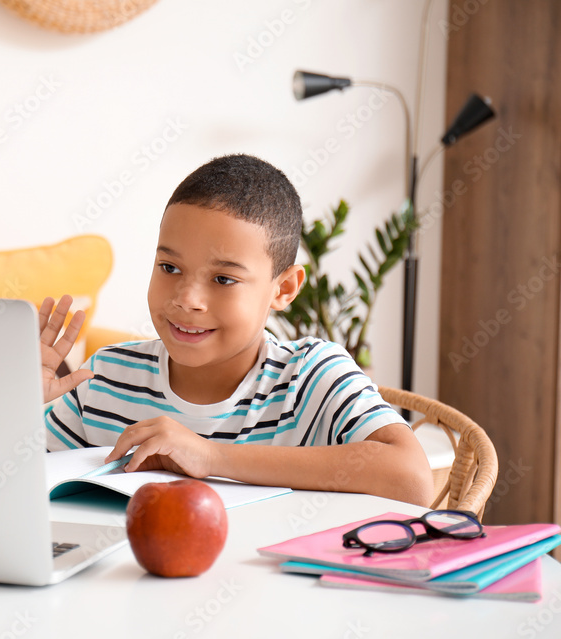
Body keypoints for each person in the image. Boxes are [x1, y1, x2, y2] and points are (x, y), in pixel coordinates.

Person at [38, 154, 434, 506]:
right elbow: (10, 489)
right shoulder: (104, 379)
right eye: (169, 268)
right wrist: (15, 411)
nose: (187, 299)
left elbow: (412, 480)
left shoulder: (311, 376)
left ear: (284, 289)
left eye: (224, 279)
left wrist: (210, 457)